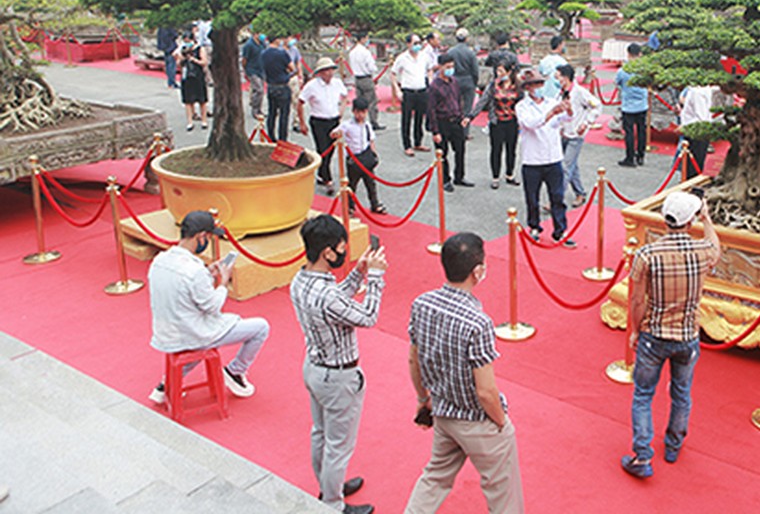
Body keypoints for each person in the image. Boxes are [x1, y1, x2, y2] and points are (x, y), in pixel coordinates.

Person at [405, 232, 524, 513]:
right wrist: (502, 422)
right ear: (477, 271)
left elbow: (414, 359)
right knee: (503, 494)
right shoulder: (478, 322)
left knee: (434, 478)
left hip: (444, 412)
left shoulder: (422, 303)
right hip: (477, 420)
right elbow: (485, 391)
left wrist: (423, 399)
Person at [621, 192, 721, 479]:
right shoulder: (701, 252)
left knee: (643, 394)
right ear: (690, 222)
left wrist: (634, 330)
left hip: (654, 334)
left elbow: (637, 301)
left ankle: (642, 455)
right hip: (688, 336)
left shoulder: (646, 255)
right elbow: (716, 247)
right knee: (681, 393)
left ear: (665, 219)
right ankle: (673, 445)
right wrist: (708, 218)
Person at [291, 215, 386, 514]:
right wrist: (377, 278)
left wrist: (358, 274)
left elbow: (336, 305)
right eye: (341, 248)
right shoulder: (328, 294)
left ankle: (329, 485)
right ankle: (333, 503)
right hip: (338, 377)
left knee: (320, 433)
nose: (344, 252)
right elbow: (367, 316)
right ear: (327, 252)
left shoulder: (300, 281)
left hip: (314, 367)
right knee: (338, 446)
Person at [147, 211, 269, 404]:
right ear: (201, 236)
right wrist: (223, 282)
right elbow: (213, 306)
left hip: (167, 331)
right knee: (261, 327)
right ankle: (236, 371)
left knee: (201, 334)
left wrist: (207, 275)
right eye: (209, 237)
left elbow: (184, 291)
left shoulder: (159, 260)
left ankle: (166, 383)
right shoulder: (194, 271)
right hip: (191, 332)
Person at [515, 69, 572, 245]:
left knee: (557, 196)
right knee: (532, 197)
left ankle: (560, 230)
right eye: (535, 84)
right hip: (532, 159)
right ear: (527, 88)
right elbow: (531, 124)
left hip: (553, 157)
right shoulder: (522, 106)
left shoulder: (551, 102)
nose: (539, 87)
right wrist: (551, 114)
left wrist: (568, 111)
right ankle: (534, 227)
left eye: (541, 84)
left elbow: (562, 121)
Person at [297, 57, 350, 195]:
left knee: (330, 150)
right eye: (326, 70)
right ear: (320, 72)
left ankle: (322, 173)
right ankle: (328, 179)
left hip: (333, 120)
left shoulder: (337, 83)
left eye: (331, 69)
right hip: (318, 121)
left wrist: (341, 112)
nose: (329, 73)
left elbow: (345, 97)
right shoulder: (312, 86)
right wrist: (302, 122)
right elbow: (300, 102)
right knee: (323, 148)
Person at [471, 58, 523, 190]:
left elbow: (523, 102)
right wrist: (471, 115)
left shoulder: (517, 85)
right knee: (496, 150)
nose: (499, 73)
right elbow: (483, 101)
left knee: (511, 150)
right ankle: (495, 177)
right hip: (497, 122)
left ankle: (510, 174)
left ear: (509, 71)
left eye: (501, 71)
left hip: (512, 121)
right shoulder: (493, 85)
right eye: (497, 71)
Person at [557, 64, 601, 207]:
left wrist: (586, 123)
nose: (557, 79)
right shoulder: (560, 92)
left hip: (576, 134)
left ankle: (557, 199)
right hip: (563, 133)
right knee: (571, 166)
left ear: (565, 77)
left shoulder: (580, 92)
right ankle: (580, 192)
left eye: (558, 76)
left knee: (565, 167)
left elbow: (597, 105)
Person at [428, 53, 472, 191]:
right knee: (443, 153)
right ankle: (445, 180)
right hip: (442, 122)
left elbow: (459, 100)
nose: (450, 69)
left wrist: (462, 116)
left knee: (460, 150)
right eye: (447, 67)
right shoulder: (434, 86)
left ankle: (459, 176)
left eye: (452, 66)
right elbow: (431, 110)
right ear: (440, 67)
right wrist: (435, 131)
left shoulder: (454, 82)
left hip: (456, 121)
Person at [334, 98, 386, 215]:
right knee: (352, 184)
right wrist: (337, 134)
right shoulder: (347, 125)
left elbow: (371, 140)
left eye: (363, 112)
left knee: (371, 183)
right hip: (354, 159)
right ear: (353, 111)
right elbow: (335, 133)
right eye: (358, 112)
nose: (360, 115)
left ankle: (375, 204)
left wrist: (374, 155)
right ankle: (350, 207)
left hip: (366, 158)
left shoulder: (367, 125)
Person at [392, 33, 434, 157]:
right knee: (406, 119)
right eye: (415, 43)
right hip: (408, 91)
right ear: (408, 44)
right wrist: (397, 91)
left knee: (420, 118)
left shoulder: (424, 56)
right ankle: (407, 145)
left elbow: (430, 69)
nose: (417, 46)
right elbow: (393, 74)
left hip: (422, 90)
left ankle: (418, 142)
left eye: (419, 43)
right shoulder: (402, 58)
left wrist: (430, 81)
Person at [615, 44, 649, 167]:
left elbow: (617, 82)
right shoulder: (644, 69)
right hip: (642, 104)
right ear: (640, 54)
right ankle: (641, 155)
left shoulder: (623, 70)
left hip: (628, 105)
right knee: (641, 131)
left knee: (629, 132)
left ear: (628, 54)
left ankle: (630, 157)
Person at [679, 84, 719, 180]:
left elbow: (701, 117)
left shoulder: (697, 92)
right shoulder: (703, 90)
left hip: (696, 131)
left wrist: (684, 126)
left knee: (693, 165)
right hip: (698, 130)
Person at [347, 33, 385, 131]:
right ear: (363, 39)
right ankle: (373, 122)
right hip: (366, 78)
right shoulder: (365, 52)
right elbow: (371, 67)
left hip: (357, 78)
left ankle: (358, 118)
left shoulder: (352, 52)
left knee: (359, 100)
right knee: (372, 101)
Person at [261, 35, 294, 143]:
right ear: (276, 40)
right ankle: (282, 138)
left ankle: (271, 136)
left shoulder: (264, 54)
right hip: (283, 85)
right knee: (284, 114)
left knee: (272, 112)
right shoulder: (282, 53)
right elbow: (292, 68)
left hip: (271, 85)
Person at [447, 27, 479, 137]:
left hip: (454, 79)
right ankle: (465, 132)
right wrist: (474, 82)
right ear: (466, 38)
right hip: (468, 80)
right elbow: (475, 70)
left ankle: (453, 130)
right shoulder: (470, 52)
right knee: (467, 107)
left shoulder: (451, 51)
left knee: (454, 106)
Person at [175, 29, 209, 131]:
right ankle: (190, 121)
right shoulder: (182, 49)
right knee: (188, 101)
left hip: (198, 76)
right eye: (185, 41)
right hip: (186, 76)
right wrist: (181, 57)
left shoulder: (199, 49)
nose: (187, 43)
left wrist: (194, 59)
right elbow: (178, 63)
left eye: (188, 40)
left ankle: (204, 120)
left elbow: (204, 62)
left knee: (202, 99)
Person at [241, 31, 266, 120]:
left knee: (261, 90)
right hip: (252, 69)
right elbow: (244, 59)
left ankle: (259, 108)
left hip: (261, 69)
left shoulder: (263, 44)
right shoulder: (249, 45)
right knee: (259, 89)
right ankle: (255, 109)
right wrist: (245, 70)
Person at [538, 34, 569, 101]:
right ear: (559, 45)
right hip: (557, 97)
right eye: (563, 45)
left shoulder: (543, 61)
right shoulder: (563, 63)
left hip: (543, 96)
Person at [287, 37, 306, 132]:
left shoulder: (294, 50)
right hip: (283, 78)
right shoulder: (280, 50)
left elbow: (298, 63)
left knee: (296, 101)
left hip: (293, 77)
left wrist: (300, 76)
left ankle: (296, 122)